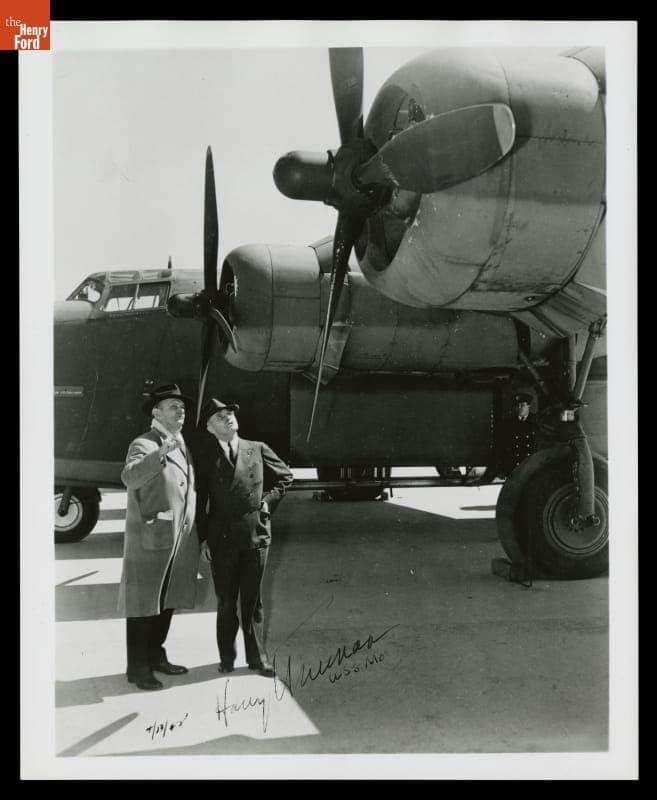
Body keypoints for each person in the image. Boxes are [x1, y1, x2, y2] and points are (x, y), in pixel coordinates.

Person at [196, 398, 293, 677]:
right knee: (226, 601)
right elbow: (201, 500)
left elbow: (285, 477)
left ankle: (258, 658)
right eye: (219, 417)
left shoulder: (258, 449)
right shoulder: (205, 455)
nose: (227, 418)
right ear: (210, 428)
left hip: (255, 535)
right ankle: (226, 657)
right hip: (221, 538)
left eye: (229, 414)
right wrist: (203, 540)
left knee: (253, 602)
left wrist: (267, 502)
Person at [117, 383, 200, 690]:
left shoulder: (180, 442)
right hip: (151, 538)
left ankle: (156, 655)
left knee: (166, 601)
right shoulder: (145, 442)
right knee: (143, 605)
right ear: (156, 412)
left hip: (176, 538)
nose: (181, 411)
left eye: (182, 408)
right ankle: (137, 668)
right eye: (173, 407)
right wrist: (160, 454)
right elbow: (130, 477)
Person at [484, 391, 538, 481]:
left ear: (529, 406)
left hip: (530, 468)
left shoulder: (536, 423)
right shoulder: (508, 425)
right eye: (518, 405)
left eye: (523, 405)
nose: (520, 408)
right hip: (513, 470)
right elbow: (502, 449)